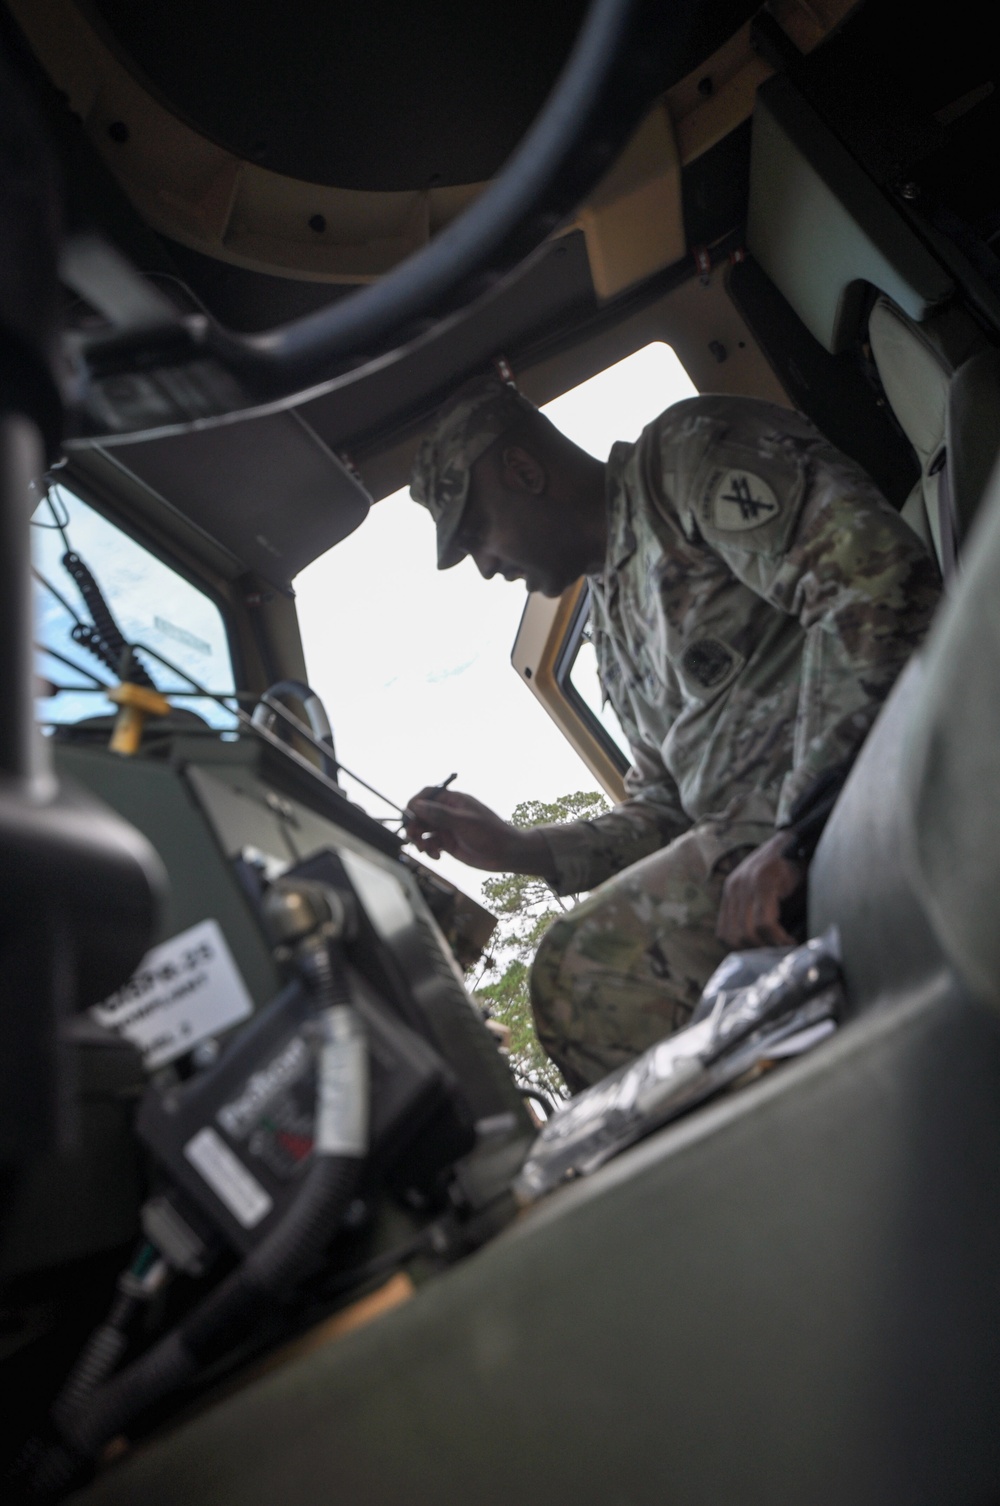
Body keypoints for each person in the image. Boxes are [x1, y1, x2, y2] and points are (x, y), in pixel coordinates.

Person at [404, 376, 940, 1091]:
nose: (487, 567)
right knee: (574, 975)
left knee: (587, 975)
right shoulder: (610, 622)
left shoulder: (684, 463)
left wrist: (799, 832)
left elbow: (874, 584)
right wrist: (524, 850)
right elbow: (662, 810)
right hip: (776, 849)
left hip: (867, 798)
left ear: (525, 471)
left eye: (476, 534)